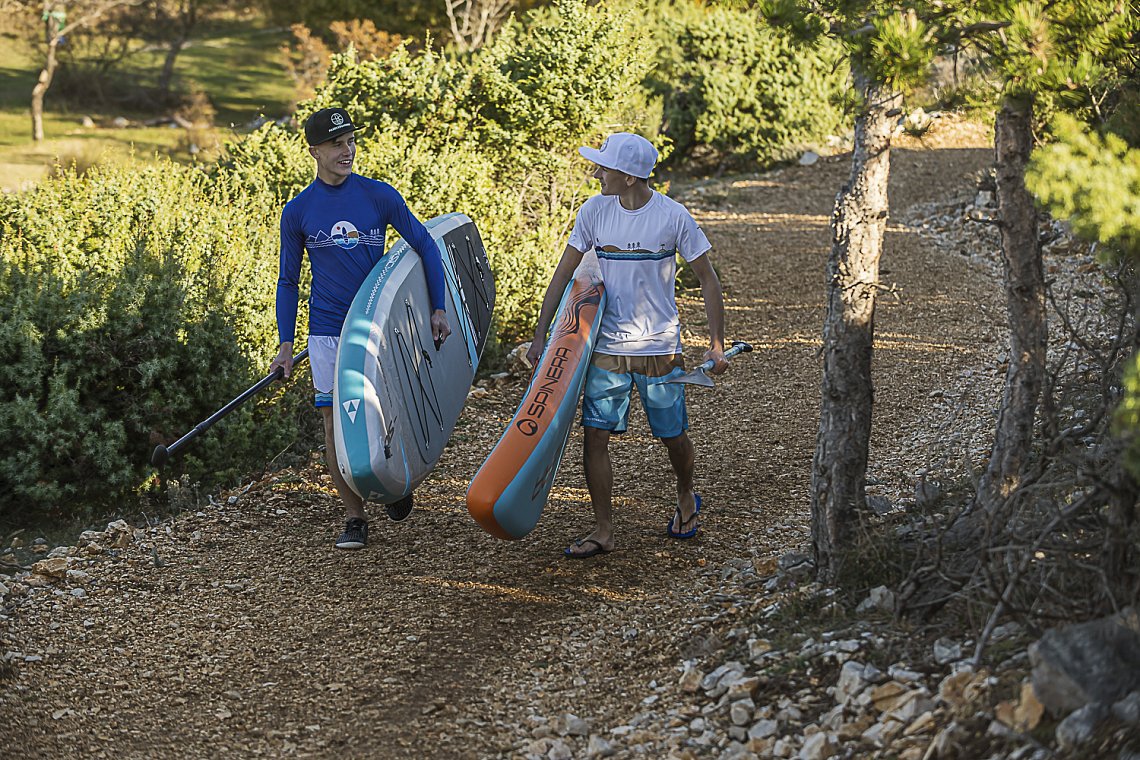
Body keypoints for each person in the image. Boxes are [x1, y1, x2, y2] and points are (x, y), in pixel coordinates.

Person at [526, 132, 727, 559]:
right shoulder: (594, 211)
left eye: (604, 167)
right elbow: (563, 276)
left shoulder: (673, 217)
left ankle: (686, 495)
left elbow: (708, 279)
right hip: (606, 346)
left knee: (672, 437)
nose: (596, 172)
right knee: (594, 436)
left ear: (630, 176)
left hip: (659, 348)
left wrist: (716, 344)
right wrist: (541, 334)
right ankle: (603, 529)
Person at [270, 107, 451, 551]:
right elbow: (289, 281)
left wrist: (438, 308)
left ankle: (393, 480)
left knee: (387, 410)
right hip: (328, 330)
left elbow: (426, 246)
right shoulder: (298, 211)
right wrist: (285, 343)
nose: (346, 150)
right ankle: (354, 517)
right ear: (314, 150)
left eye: (350, 141)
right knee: (337, 426)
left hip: (376, 321)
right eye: (335, 144)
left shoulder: (378, 196)